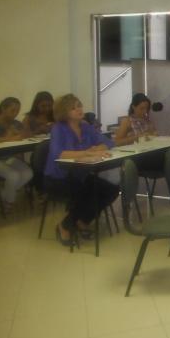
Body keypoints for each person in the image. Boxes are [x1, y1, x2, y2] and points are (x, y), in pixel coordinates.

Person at [44, 94, 119, 246]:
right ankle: (64, 226)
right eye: (73, 108)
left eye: (79, 105)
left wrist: (98, 148)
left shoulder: (86, 127)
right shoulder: (58, 128)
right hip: (57, 178)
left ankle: (82, 221)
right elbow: (59, 153)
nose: (78, 109)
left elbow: (108, 142)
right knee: (87, 191)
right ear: (64, 113)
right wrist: (88, 152)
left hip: (79, 175)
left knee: (111, 189)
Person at [0, 97, 33, 212]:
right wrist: (10, 138)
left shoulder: (15, 123)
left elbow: (26, 134)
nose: (15, 113)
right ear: (3, 108)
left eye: (17, 111)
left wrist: (22, 133)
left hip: (8, 158)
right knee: (13, 175)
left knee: (28, 173)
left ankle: (3, 196)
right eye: (12, 110)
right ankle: (9, 202)